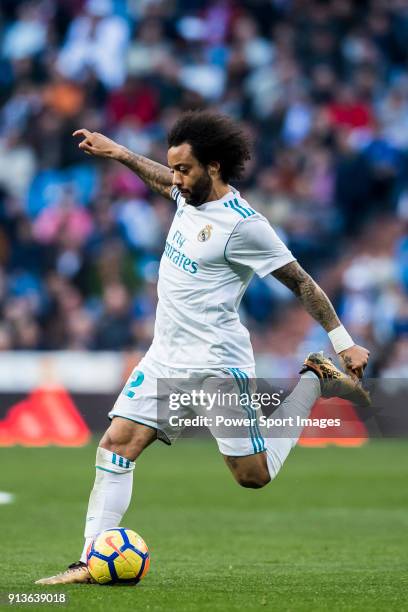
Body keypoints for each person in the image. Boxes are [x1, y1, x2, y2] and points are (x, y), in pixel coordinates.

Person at [36, 111, 370, 585]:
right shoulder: (186, 196)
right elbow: (162, 182)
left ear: (214, 167)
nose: (175, 177)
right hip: (164, 357)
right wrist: (121, 153)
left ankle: (315, 378)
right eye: (173, 167)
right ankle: (91, 560)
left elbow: (302, 283)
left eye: (184, 168)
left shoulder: (244, 226)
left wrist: (344, 342)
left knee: (252, 475)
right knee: (115, 446)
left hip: (216, 364)